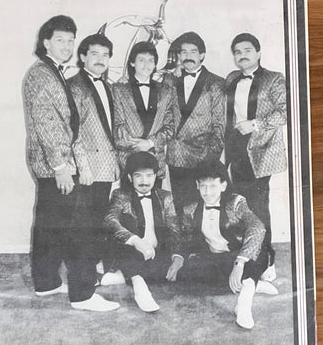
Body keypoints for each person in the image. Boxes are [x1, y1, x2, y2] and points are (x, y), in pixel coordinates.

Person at [23, 17, 119, 312]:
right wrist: (61, 168)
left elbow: (67, 124)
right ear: (46, 42)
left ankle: (46, 283)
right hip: (56, 167)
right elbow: (49, 124)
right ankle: (83, 295)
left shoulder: (51, 72)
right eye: (60, 40)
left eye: (70, 40)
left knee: (49, 227)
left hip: (51, 166)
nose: (66, 46)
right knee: (80, 231)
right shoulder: (42, 74)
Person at [225, 33, 287, 281]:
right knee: (240, 206)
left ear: (258, 53)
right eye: (237, 52)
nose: (242, 55)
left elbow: (286, 111)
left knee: (259, 207)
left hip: (261, 151)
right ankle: (247, 258)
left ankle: (267, 261)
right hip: (235, 150)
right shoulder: (231, 78)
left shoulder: (274, 78)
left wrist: (255, 124)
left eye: (247, 50)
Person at [180, 160, 272, 329]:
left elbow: (257, 227)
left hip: (239, 256)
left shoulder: (235, 202)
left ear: (223, 186)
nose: (207, 192)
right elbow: (187, 238)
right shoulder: (190, 209)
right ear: (197, 185)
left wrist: (239, 263)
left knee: (259, 253)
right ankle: (253, 283)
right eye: (203, 186)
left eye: (213, 186)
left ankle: (245, 300)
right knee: (189, 274)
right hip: (216, 257)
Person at [67, 34, 122, 309]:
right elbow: (72, 132)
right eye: (94, 54)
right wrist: (83, 167)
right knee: (83, 231)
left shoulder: (107, 86)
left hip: (104, 170)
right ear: (83, 57)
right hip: (87, 172)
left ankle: (89, 283)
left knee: (94, 228)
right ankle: (82, 295)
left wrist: (115, 164)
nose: (100, 59)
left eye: (105, 55)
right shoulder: (75, 86)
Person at [103, 152, 184, 312]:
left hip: (155, 254)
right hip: (130, 250)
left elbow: (174, 229)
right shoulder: (121, 195)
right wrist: (135, 240)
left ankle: (123, 275)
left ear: (155, 176)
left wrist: (177, 256)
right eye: (138, 176)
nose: (144, 181)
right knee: (124, 246)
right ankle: (139, 286)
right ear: (129, 177)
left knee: (180, 268)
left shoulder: (165, 197)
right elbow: (110, 220)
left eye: (149, 175)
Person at [166, 31, 226, 217]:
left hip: (202, 157)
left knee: (200, 209)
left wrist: (211, 158)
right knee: (179, 206)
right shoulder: (170, 79)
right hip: (176, 155)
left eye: (193, 52)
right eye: (183, 52)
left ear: (202, 55)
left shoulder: (216, 82)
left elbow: (219, 124)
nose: (188, 56)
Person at [112, 41, 175, 178]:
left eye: (151, 60)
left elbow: (170, 126)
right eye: (141, 60)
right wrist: (137, 145)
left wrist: (150, 143)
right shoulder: (118, 89)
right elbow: (117, 125)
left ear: (155, 64)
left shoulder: (166, 91)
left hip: (156, 162)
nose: (146, 65)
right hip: (128, 161)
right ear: (132, 63)